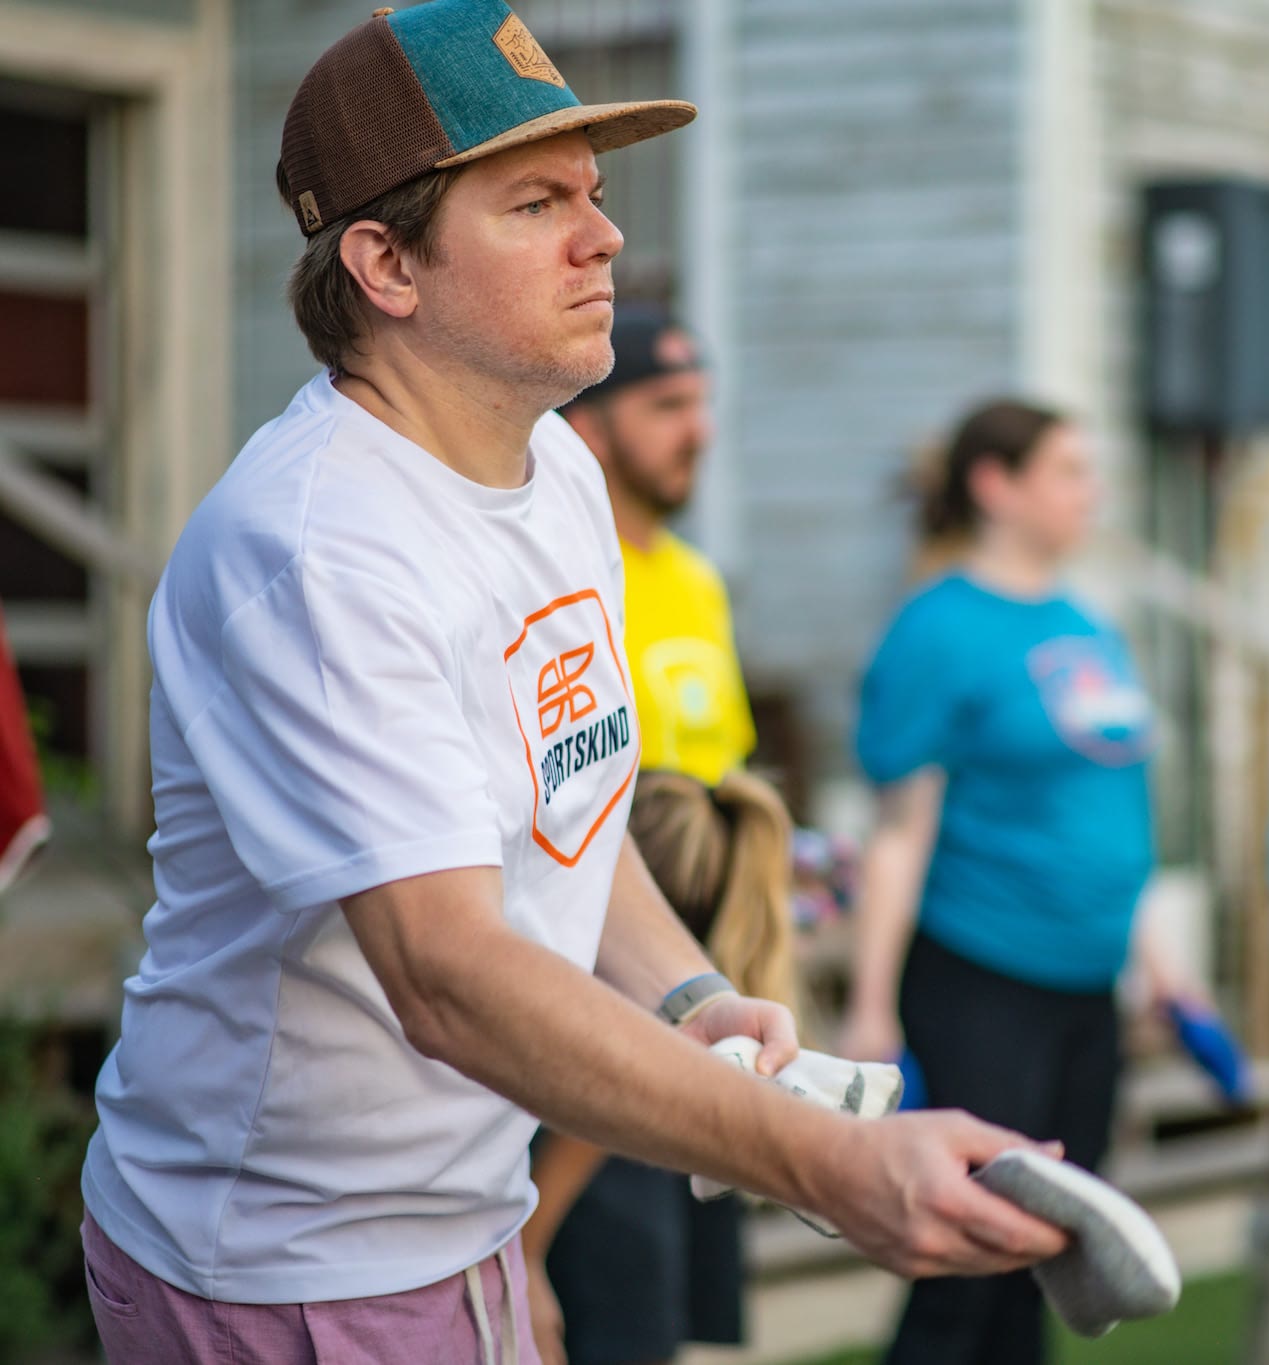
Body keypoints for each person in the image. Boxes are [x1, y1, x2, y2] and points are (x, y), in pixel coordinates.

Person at [76, 6, 1065, 1362]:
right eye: (536, 203)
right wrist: (822, 1162)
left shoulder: (557, 471)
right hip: (284, 1258)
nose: (604, 237)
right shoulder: (314, 549)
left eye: (592, 194)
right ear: (385, 264)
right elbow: (448, 974)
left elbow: (574, 808)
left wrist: (688, 997)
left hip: (459, 1217)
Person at [841, 399, 1175, 1365]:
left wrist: (1163, 965)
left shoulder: (1089, 625)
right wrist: (870, 1008)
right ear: (996, 485)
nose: (1091, 491)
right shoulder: (937, 629)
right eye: (1068, 471)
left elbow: (1114, 809)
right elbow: (900, 832)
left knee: (1047, 1260)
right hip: (983, 977)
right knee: (965, 1263)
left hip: (1089, 985)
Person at [523, 309, 788, 1365]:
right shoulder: (560, 584)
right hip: (592, 990)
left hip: (696, 989)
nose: (699, 430)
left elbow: (723, 779)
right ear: (586, 430)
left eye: (704, 403)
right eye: (668, 406)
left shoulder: (696, 579)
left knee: (677, 1322)